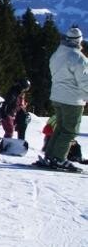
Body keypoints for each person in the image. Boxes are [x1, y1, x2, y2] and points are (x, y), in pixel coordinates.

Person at [39, 26, 88, 171]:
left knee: (60, 128)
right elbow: (84, 81)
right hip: (72, 100)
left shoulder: (57, 54)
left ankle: (50, 155)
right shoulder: (78, 58)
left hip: (57, 97)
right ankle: (59, 158)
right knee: (69, 131)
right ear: (79, 41)